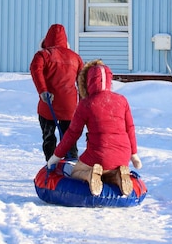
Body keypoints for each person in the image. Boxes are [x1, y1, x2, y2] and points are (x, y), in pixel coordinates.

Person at [47, 59, 142, 196]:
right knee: (111, 169)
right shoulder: (122, 100)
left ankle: (89, 174)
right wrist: (134, 155)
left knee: (75, 172)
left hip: (98, 156)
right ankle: (117, 176)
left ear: (88, 81)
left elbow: (73, 133)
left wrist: (56, 156)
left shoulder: (86, 104)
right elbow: (130, 128)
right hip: (123, 157)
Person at [30, 24, 84, 162]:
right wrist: (84, 100)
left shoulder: (43, 55)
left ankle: (51, 164)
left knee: (49, 137)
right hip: (69, 106)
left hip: (48, 103)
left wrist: (43, 91)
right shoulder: (75, 57)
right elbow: (82, 80)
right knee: (69, 137)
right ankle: (71, 163)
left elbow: (36, 70)